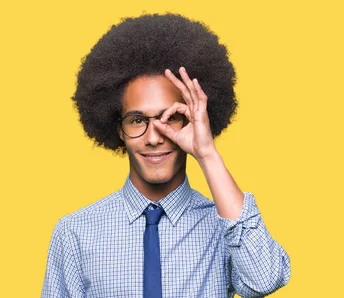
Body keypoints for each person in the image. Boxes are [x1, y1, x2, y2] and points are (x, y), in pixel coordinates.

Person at [41, 13, 291, 298]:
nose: (153, 137)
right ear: (118, 129)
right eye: (137, 120)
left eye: (169, 117)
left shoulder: (224, 226)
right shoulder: (75, 232)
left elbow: (265, 280)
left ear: (191, 121)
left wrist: (206, 153)